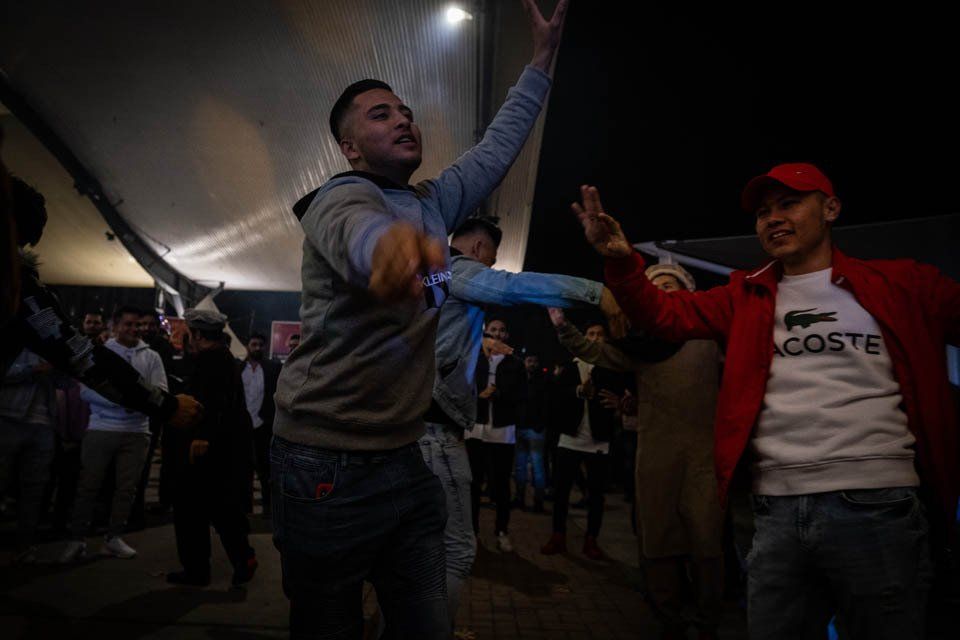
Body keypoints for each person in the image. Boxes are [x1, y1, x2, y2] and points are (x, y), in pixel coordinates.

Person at [270, 2, 569, 636]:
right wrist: (392, 253)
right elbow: (362, 235)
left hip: (404, 454)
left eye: (404, 110)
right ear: (351, 147)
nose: (403, 117)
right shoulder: (341, 196)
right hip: (325, 460)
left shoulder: (433, 202)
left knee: (425, 621)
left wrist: (540, 61)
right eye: (381, 114)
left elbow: (496, 149)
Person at [573, 164, 959, 639]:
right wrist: (621, 261)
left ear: (831, 208)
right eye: (763, 212)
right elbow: (664, 315)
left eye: (789, 203)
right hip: (773, 511)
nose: (773, 218)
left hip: (876, 504)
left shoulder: (904, 284)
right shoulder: (746, 294)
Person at [421, 215, 619, 624]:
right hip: (436, 431)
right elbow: (514, 288)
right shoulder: (458, 268)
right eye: (490, 260)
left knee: (416, 549)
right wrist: (596, 292)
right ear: (477, 249)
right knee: (457, 550)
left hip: (417, 425)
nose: (490, 268)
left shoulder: (427, 278)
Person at [550, 263, 725, 640]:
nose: (665, 291)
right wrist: (564, 328)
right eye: (657, 287)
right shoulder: (643, 346)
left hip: (705, 455)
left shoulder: (713, 335)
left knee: (707, 538)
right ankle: (669, 618)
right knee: (657, 534)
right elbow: (592, 352)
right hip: (656, 453)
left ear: (690, 293)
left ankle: (710, 619)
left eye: (672, 285)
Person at [60, 305, 168, 561]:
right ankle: (77, 538)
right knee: (89, 485)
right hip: (101, 429)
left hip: (137, 432)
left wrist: (139, 404)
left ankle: (114, 537)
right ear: (115, 326)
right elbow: (86, 391)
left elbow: (161, 390)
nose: (134, 329)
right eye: (129, 324)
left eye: (137, 325)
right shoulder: (100, 353)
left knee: (126, 489)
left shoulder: (151, 356)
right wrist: (125, 402)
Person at [166, 309, 257, 587]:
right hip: (222, 449)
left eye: (190, 333)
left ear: (197, 334)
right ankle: (242, 558)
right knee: (219, 507)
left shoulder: (211, 360)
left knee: (190, 511)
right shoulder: (223, 358)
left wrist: (201, 437)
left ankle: (197, 570)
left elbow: (214, 403)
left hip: (204, 448)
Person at [541, 321, 629, 560]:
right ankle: (558, 536)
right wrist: (578, 391)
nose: (594, 338)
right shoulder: (570, 368)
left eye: (600, 334)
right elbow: (555, 399)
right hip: (569, 438)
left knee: (596, 495)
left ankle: (591, 539)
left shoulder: (612, 369)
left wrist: (621, 404)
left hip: (599, 440)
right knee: (562, 492)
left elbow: (625, 398)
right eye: (590, 333)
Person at [465, 318, 525, 551]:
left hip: (502, 431)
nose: (497, 334)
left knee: (501, 485)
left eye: (502, 330)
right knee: (473, 484)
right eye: (493, 330)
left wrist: (498, 394)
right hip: (476, 429)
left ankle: (501, 530)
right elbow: (462, 388)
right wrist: (478, 396)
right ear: (486, 333)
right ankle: (472, 532)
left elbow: (521, 397)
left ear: (507, 335)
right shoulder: (473, 359)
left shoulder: (515, 364)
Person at [0, 348, 58, 563]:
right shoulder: (15, 342)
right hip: (10, 418)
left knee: (35, 488)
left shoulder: (53, 346)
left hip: (44, 425)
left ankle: (24, 545)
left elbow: (67, 384)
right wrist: (34, 368)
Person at [239, 332, 280, 516]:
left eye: (260, 345)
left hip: (264, 425)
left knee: (265, 471)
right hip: (243, 426)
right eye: (254, 344)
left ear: (265, 347)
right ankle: (245, 507)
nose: (257, 348)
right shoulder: (238, 368)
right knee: (243, 470)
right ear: (247, 346)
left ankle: (268, 508)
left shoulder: (272, 368)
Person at [515, 353, 548, 513]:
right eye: (529, 361)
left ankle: (537, 502)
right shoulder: (522, 381)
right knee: (522, 467)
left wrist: (540, 424)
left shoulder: (541, 381)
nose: (532, 364)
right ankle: (522, 499)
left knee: (537, 467)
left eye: (535, 361)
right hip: (522, 428)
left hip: (534, 429)